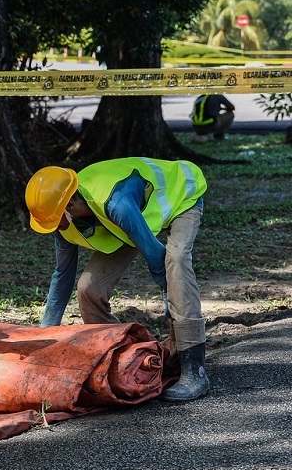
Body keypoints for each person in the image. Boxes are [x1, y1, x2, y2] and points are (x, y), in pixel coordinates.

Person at [24, 158, 210, 401]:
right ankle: (119, 357)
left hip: (180, 196)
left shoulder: (115, 203)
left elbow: (156, 258)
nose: (52, 228)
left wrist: (170, 307)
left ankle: (194, 369)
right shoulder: (64, 221)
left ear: (69, 206)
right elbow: (63, 275)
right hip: (130, 221)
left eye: (52, 221)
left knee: (175, 262)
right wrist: (43, 335)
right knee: (88, 288)